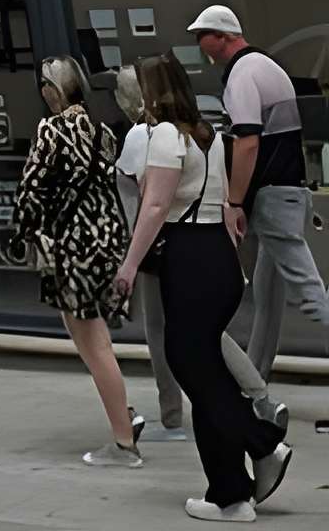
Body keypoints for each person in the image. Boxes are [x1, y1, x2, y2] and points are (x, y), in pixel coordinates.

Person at [115, 53, 291, 523]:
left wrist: (128, 268)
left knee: (191, 366)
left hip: (189, 259)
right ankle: (228, 495)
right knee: (208, 376)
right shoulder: (207, 134)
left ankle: (264, 445)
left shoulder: (164, 136)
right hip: (219, 257)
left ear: (152, 91)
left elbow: (153, 208)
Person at [11, 56, 143, 465]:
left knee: (92, 343)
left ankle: (123, 443)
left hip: (74, 247)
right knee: (96, 339)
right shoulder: (102, 129)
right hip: (107, 239)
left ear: (52, 90)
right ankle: (123, 413)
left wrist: (21, 232)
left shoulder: (52, 128)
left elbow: (32, 187)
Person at [193, 1, 329, 380]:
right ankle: (255, 380)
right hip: (287, 192)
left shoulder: (242, 75)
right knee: (268, 297)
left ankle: (253, 382)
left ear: (222, 36)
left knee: (311, 294)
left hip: (271, 197)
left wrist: (234, 201)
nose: (198, 43)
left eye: (202, 35)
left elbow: (248, 142)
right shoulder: (267, 66)